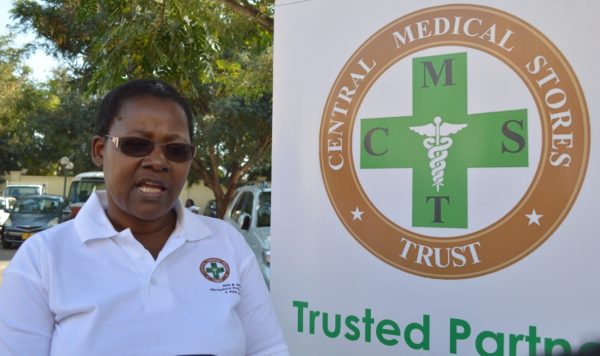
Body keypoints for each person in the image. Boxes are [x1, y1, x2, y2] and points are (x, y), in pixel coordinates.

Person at [0, 79, 289, 356]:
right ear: (100, 151)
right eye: (136, 144)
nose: (158, 161)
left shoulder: (226, 243)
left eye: (176, 150)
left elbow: (268, 349)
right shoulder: (43, 259)